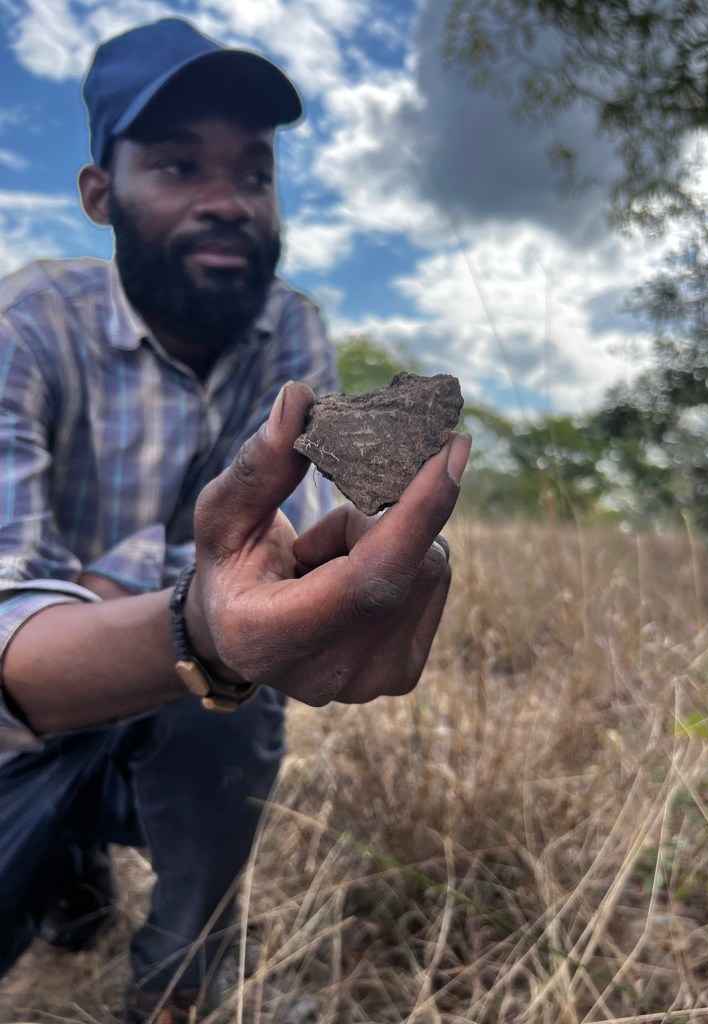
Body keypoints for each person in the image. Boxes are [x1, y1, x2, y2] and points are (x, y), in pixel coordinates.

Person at [0, 16, 469, 1024]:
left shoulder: (287, 327)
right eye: (176, 165)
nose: (227, 203)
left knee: (234, 694)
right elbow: (6, 635)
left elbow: (280, 560)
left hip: (172, 700)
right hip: (16, 739)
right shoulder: (28, 325)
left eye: (254, 175)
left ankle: (175, 985)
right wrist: (194, 606)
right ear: (98, 195)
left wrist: (113, 590)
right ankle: (67, 876)